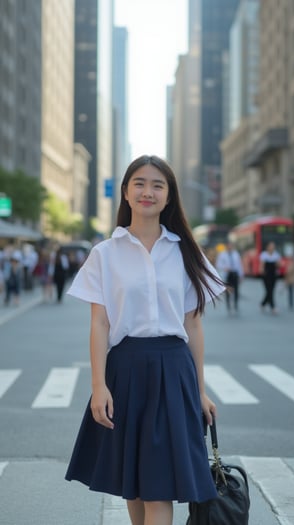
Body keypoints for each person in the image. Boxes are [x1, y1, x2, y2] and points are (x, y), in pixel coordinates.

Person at [65, 155, 225, 525]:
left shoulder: (186, 252)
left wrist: (199, 390)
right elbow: (100, 324)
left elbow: (194, 327)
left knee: (159, 489)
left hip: (174, 371)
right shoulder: (105, 253)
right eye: (139, 183)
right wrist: (98, 386)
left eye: (157, 185)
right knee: (134, 484)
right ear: (125, 192)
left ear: (169, 197)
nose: (147, 191)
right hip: (125, 371)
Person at [216, 241, 244, 314]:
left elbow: (239, 265)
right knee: (228, 290)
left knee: (236, 290)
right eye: (229, 246)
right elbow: (218, 265)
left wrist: (241, 275)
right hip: (227, 274)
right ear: (227, 246)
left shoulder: (236, 254)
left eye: (231, 246)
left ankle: (235, 305)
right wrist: (225, 268)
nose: (230, 247)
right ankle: (228, 306)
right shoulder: (222, 254)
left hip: (235, 274)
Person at [259, 241, 281, 314]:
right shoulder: (264, 255)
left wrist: (278, 263)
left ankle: (263, 303)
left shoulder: (276, 255)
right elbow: (262, 265)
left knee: (271, 290)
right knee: (269, 290)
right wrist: (262, 271)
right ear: (268, 247)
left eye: (273, 246)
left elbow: (278, 265)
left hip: (273, 275)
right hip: (266, 275)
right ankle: (273, 307)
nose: (272, 248)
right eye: (271, 246)